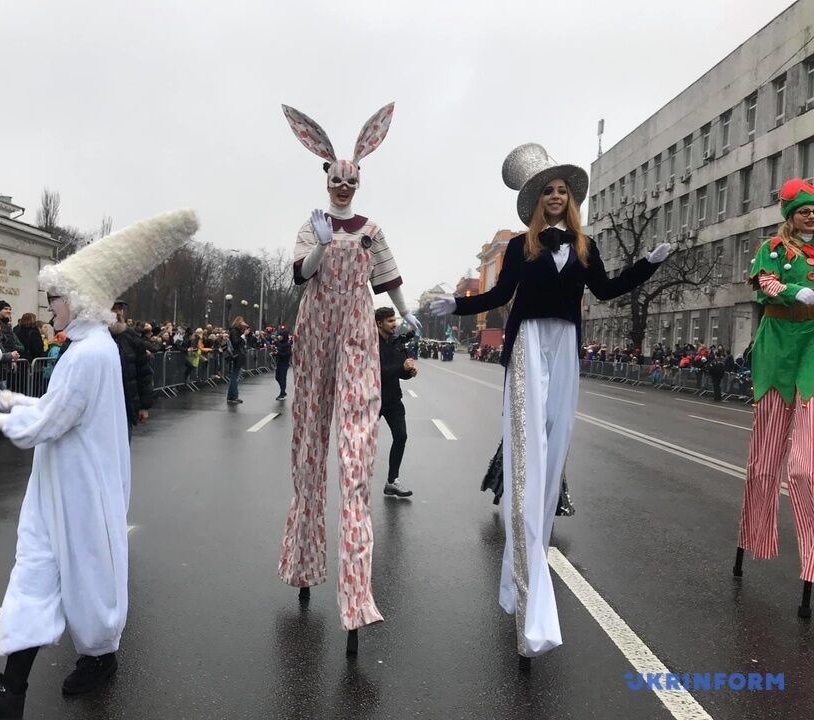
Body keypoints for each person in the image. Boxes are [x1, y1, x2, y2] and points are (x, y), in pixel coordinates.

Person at [0, 209, 198, 720]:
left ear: (77, 299)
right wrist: (12, 399)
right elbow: (60, 413)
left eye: (54, 297)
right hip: (58, 485)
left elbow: (48, 427)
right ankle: (10, 692)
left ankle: (100, 655)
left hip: (80, 489)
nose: (49, 306)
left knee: (88, 576)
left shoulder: (89, 354)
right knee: (34, 574)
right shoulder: (85, 348)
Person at [431, 143, 670, 664]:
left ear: (571, 199)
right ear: (538, 201)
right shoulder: (521, 247)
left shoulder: (585, 247)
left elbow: (606, 291)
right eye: (548, 191)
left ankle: (534, 553)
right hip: (527, 345)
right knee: (527, 453)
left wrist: (646, 267)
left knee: (554, 450)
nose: (556, 197)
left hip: (565, 347)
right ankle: (525, 580)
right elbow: (499, 298)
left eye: (562, 190)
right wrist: (458, 306)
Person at [277, 102, 422, 655]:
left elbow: (387, 278)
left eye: (350, 177)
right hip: (315, 334)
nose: (342, 184)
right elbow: (300, 276)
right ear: (325, 177)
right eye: (335, 177)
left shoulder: (372, 229)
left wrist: (406, 311)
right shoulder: (310, 225)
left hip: (359, 335)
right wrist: (318, 242)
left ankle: (357, 592)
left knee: (356, 452)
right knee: (309, 448)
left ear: (360, 179)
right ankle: (305, 561)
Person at [735, 178, 814, 610]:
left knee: (805, 469)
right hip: (777, 342)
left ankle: (812, 563)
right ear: (790, 215)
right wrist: (788, 290)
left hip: (813, 345)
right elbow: (764, 282)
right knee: (764, 462)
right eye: (804, 210)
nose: (812, 216)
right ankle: (755, 536)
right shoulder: (774, 248)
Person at [375, 307, 416, 497]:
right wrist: (401, 367)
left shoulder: (398, 342)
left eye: (395, 320)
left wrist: (409, 372)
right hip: (372, 399)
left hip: (392, 399)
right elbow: (377, 371)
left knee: (401, 436)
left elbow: (401, 373)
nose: (394, 324)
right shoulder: (370, 343)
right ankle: (357, 482)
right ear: (379, 323)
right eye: (390, 321)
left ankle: (392, 481)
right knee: (364, 442)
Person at [110, 300, 154, 439]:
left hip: (126, 405)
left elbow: (144, 372)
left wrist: (144, 406)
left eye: (120, 309)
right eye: (113, 309)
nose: (117, 313)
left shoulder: (132, 337)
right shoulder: (95, 337)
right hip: (103, 406)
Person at [226, 316, 248, 405]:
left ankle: (231, 396)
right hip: (237, 355)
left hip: (238, 355)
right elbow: (235, 342)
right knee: (235, 377)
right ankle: (234, 396)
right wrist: (243, 336)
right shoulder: (234, 331)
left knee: (234, 376)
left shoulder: (236, 331)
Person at [273, 326, 292, 400]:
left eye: (280, 335)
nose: (279, 337)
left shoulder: (287, 345)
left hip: (284, 363)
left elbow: (287, 354)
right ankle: (283, 391)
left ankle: (282, 392)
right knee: (277, 377)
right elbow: (279, 351)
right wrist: (275, 353)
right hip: (279, 362)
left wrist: (278, 354)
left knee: (282, 378)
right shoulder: (280, 344)